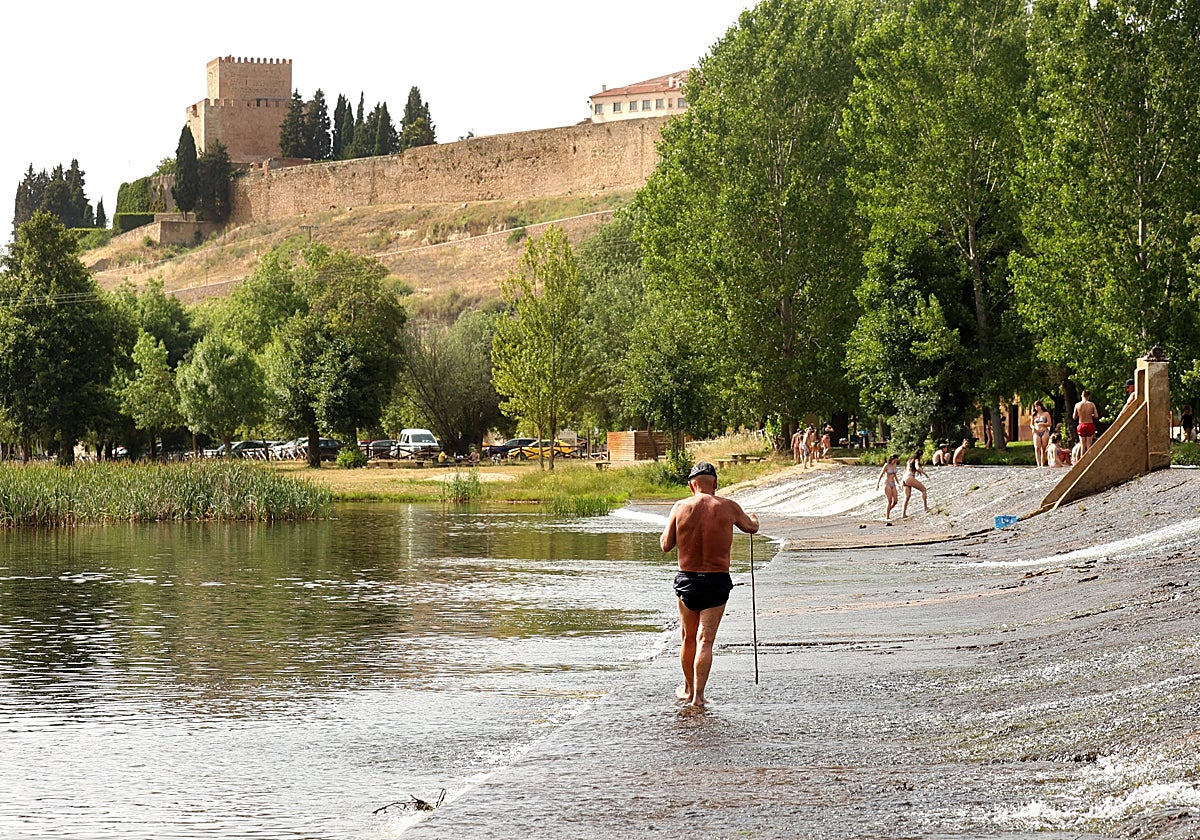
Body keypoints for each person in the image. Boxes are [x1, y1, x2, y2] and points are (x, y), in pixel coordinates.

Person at [660, 461, 759, 708]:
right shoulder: (728, 506)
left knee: (688, 638)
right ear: (714, 484)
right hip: (716, 580)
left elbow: (665, 545)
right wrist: (755, 517)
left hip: (688, 580)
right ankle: (699, 697)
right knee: (706, 640)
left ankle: (687, 688)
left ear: (692, 485)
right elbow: (751, 527)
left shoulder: (680, 507)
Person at [901, 450, 930, 517]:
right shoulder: (916, 460)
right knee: (924, 490)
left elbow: (904, 471)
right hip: (910, 477)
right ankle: (925, 508)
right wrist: (925, 474)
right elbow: (917, 467)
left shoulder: (909, 460)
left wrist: (902, 482)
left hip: (904, 478)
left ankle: (903, 514)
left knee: (907, 497)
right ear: (921, 455)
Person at [1073, 390, 1100, 454]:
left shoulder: (1077, 405)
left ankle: (1082, 461)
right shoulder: (1091, 404)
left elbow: (1074, 417)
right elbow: (1096, 416)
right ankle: (1089, 461)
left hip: (1081, 424)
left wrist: (1080, 414)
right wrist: (1091, 415)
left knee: (1082, 445)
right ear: (1089, 396)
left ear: (1082, 395)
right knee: (1089, 445)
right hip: (1089, 424)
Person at [876, 453, 900, 521]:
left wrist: (898, 483)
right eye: (895, 460)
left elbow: (895, 475)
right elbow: (881, 474)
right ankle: (887, 517)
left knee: (895, 501)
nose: (896, 461)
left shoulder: (894, 465)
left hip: (893, 483)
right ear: (892, 459)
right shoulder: (886, 465)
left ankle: (886, 513)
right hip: (887, 483)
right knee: (889, 501)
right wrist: (877, 484)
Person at [1030, 399, 1052, 468]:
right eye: (1035, 406)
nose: (1036, 408)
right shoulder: (1034, 415)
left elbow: (1049, 424)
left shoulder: (1046, 414)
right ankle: (1038, 465)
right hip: (1036, 432)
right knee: (1037, 448)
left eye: (1037, 406)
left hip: (1044, 431)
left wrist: (1043, 424)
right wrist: (1033, 427)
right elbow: (1031, 424)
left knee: (1043, 448)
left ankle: (1042, 464)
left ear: (1040, 406)